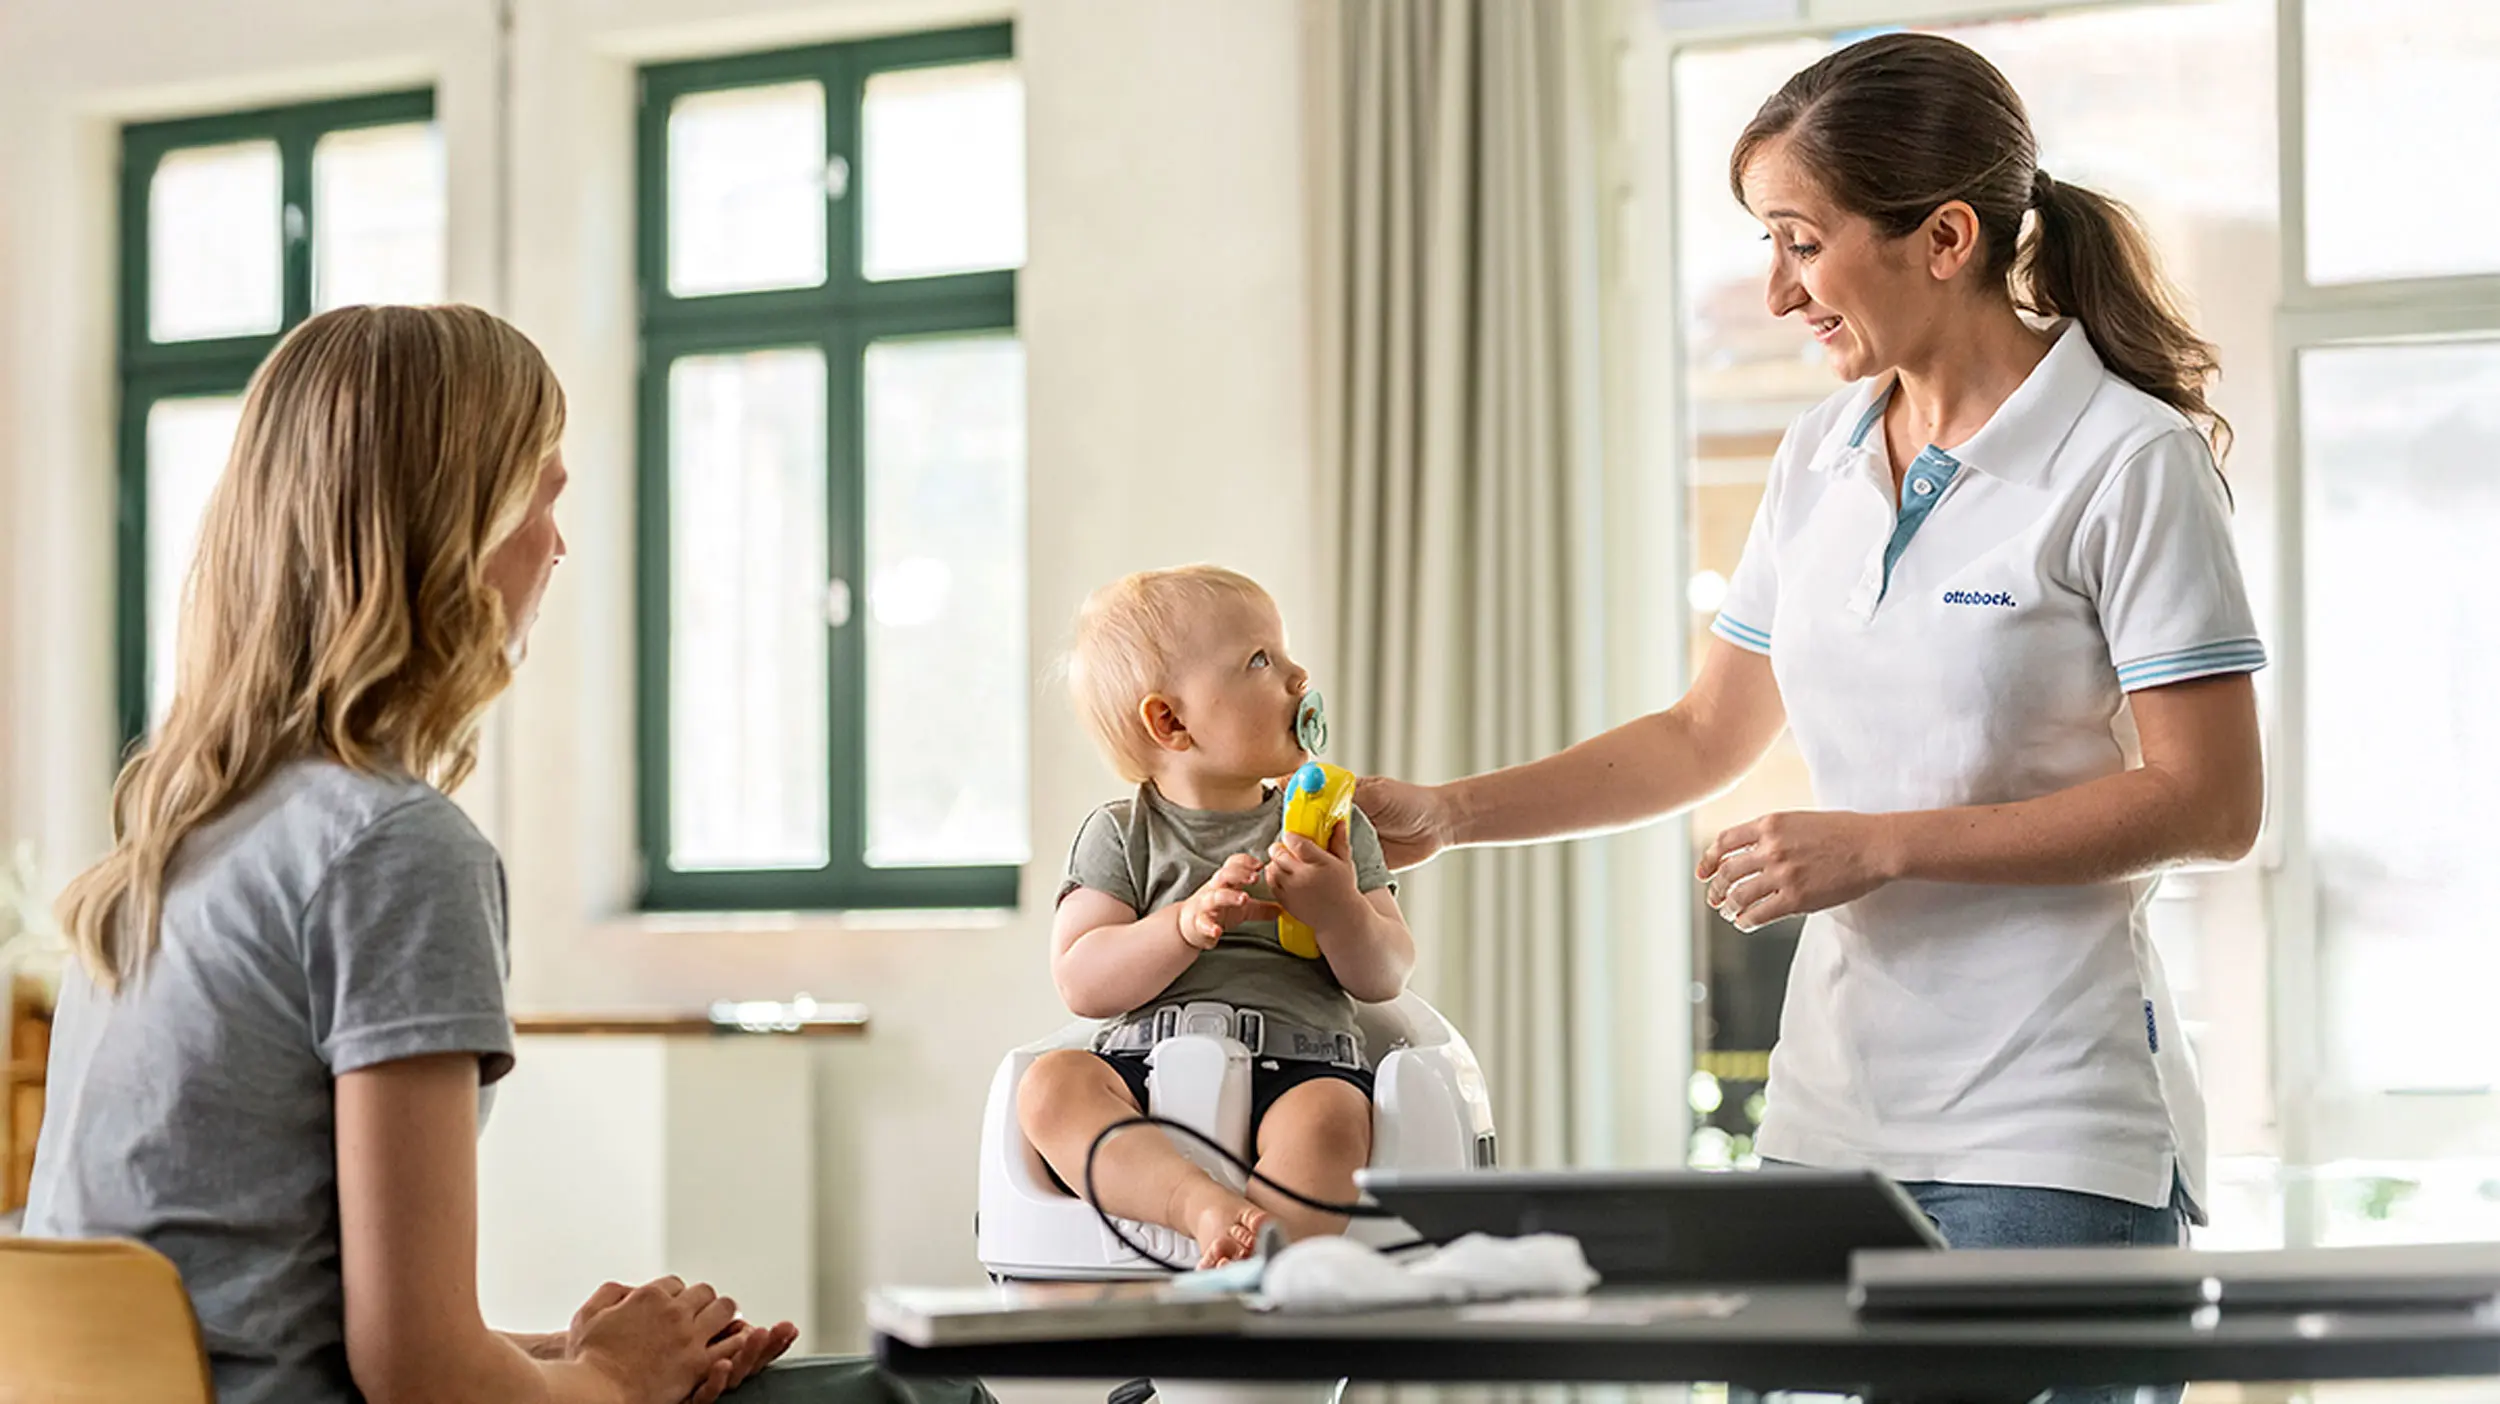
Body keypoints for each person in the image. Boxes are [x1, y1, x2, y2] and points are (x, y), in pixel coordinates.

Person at [1358, 32, 2264, 1403]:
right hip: (1830, 1123)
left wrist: (1880, 846)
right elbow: (1699, 737)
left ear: (1946, 236)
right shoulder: (1821, 457)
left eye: (1801, 240)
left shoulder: (2128, 461)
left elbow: (2210, 802)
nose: (1777, 290)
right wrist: (1447, 811)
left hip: (2049, 1139)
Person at [25, 305, 980, 1404]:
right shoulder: (390, 848)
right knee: (915, 1397)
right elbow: (423, 1379)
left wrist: (586, 1361)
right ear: (456, 523)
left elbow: (273, 1324)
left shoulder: (171, 843)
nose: (557, 543)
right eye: (542, 493)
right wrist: (612, 1384)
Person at [1019, 566, 1414, 1268]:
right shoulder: (1120, 834)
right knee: (1050, 1089)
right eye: (1261, 660)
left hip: (1302, 1066)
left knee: (1332, 1123)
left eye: (1286, 654)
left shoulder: (1329, 828)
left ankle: (1265, 1266)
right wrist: (1179, 926)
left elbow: (1386, 974)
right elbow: (1081, 979)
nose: (1299, 676)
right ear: (1170, 721)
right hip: (1141, 1076)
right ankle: (1198, 1208)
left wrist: (1339, 911)